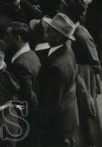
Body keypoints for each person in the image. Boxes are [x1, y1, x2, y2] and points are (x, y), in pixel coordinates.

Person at [34, 13, 80, 147]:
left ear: (58, 36)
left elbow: (51, 103)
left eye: (49, 31)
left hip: (58, 125)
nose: (45, 32)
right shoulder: (67, 51)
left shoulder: (56, 66)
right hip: (68, 115)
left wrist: (37, 123)